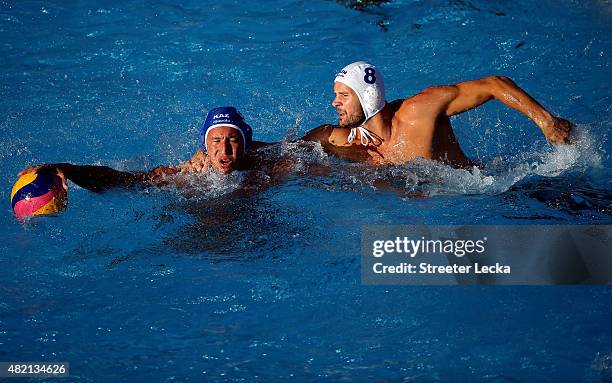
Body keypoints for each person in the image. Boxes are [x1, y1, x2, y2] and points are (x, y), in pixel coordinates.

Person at [301, 61, 573, 167]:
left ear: (367, 96)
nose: (334, 103)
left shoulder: (419, 111)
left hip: (493, 194)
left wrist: (546, 122)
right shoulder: (343, 140)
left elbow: (494, 84)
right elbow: (285, 154)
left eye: (344, 96)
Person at [18, 107, 271, 193]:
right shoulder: (186, 176)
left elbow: (307, 144)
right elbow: (123, 181)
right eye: (215, 141)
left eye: (233, 140)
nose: (223, 149)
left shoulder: (265, 162)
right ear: (205, 145)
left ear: (246, 144)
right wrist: (69, 170)